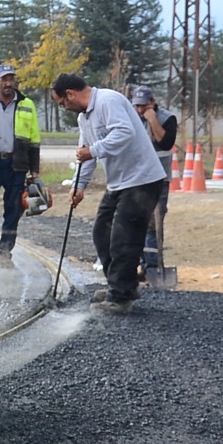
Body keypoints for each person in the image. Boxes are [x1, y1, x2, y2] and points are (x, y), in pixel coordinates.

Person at [52, 72, 167, 314]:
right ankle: (121, 285)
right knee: (101, 233)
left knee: (124, 239)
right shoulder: (84, 118)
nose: (63, 107)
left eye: (62, 102)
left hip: (142, 181)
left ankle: (120, 297)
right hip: (119, 183)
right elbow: (86, 154)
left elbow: (124, 133)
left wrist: (92, 151)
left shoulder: (108, 100)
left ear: (70, 94)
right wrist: (79, 185)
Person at [0, 64, 42, 266]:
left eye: (11, 79)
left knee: (12, 211)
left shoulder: (27, 105)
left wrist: (34, 171)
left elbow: (34, 141)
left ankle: (5, 254)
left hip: (16, 165)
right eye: (4, 79)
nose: (8, 83)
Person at [131, 85, 178, 272]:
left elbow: (165, 142)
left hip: (160, 179)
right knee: (136, 220)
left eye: (143, 106)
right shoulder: (134, 118)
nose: (140, 110)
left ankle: (154, 265)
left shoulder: (167, 119)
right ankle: (140, 263)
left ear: (152, 102)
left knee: (154, 223)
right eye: (137, 106)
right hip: (138, 177)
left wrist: (153, 121)